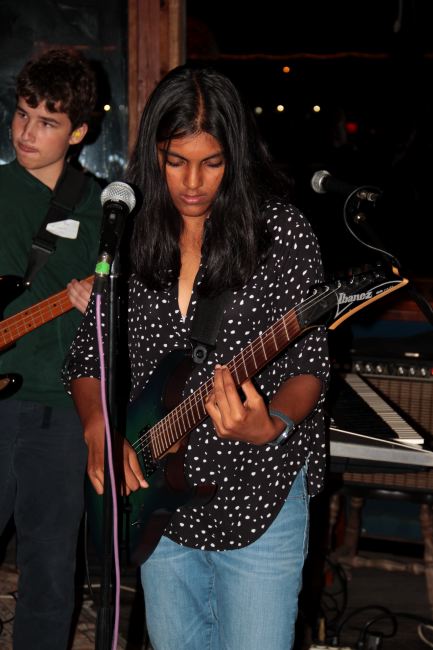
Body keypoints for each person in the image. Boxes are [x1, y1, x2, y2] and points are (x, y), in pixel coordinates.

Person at [64, 63, 330, 650]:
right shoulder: (132, 234)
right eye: (175, 160)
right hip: (159, 507)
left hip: (257, 495)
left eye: (211, 163)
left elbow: (308, 366)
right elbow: (89, 355)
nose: (192, 182)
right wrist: (97, 425)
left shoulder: (281, 234)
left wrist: (270, 424)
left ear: (236, 157)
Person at [0, 48, 102, 650]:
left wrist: (102, 306)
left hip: (60, 408)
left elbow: (134, 308)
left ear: (79, 132)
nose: (26, 132)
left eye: (47, 122)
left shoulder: (100, 207)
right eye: (22, 114)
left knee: (50, 570)